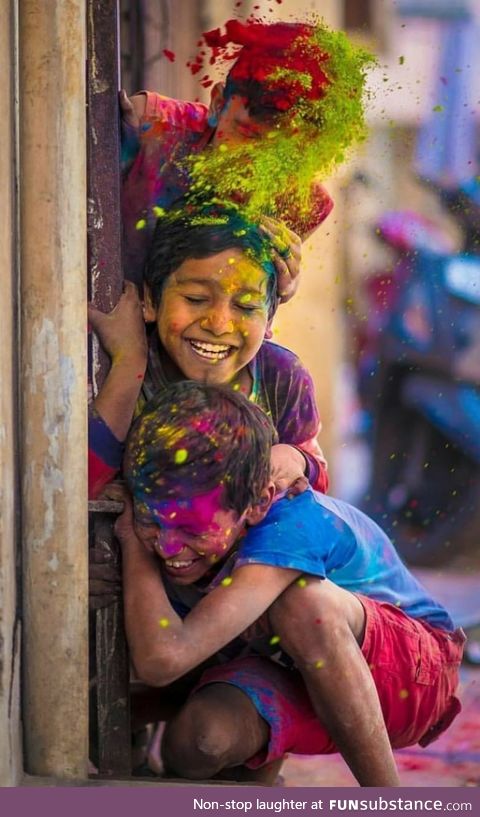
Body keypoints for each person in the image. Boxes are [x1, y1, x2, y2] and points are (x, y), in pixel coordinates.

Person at [116, 380, 464, 787]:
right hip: (296, 678)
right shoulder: (187, 524)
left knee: (301, 605)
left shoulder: (289, 526)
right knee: (200, 741)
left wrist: (132, 540)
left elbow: (163, 660)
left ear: (259, 503)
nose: (168, 546)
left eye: (192, 529)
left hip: (414, 678)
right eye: (150, 520)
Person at [88, 204, 328, 500]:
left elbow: (317, 476)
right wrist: (129, 363)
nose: (218, 325)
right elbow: (82, 484)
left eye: (246, 306)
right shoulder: (126, 362)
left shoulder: (280, 375)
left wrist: (295, 459)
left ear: (269, 318)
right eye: (196, 298)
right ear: (150, 299)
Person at [120, 18, 374, 289]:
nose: (260, 165)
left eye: (289, 155)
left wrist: (281, 285)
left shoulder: (301, 205)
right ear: (218, 104)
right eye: (250, 135)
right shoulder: (152, 127)